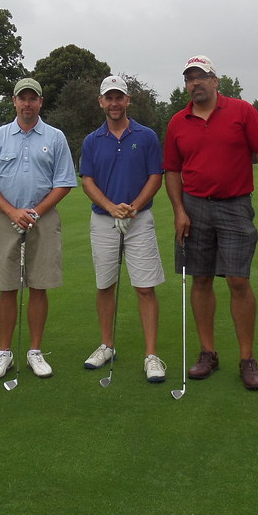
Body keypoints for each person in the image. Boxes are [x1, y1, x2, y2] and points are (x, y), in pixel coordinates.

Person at [163, 55, 258, 391]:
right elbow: (172, 171)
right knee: (200, 280)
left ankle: (247, 358)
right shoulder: (178, 122)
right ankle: (208, 352)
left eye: (201, 77)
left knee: (237, 281)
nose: (195, 83)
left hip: (234, 206)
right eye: (189, 79)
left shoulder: (242, 111)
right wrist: (178, 210)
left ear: (215, 81)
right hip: (194, 208)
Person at [0, 77, 77, 380]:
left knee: (39, 285)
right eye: (23, 98)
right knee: (7, 287)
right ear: (14, 101)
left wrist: (34, 212)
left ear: (40, 102)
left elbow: (64, 182)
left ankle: (34, 351)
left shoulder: (56, 137)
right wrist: (11, 211)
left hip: (43, 219)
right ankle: (4, 352)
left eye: (33, 99)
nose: (27, 104)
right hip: (7, 219)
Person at [79, 75, 167, 383]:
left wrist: (133, 206)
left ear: (127, 100)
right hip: (103, 220)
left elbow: (156, 176)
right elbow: (87, 181)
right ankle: (107, 345)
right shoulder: (92, 140)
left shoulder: (146, 136)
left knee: (144, 287)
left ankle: (152, 355)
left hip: (139, 220)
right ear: (101, 102)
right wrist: (110, 207)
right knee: (105, 285)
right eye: (109, 98)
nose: (114, 103)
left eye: (119, 97)